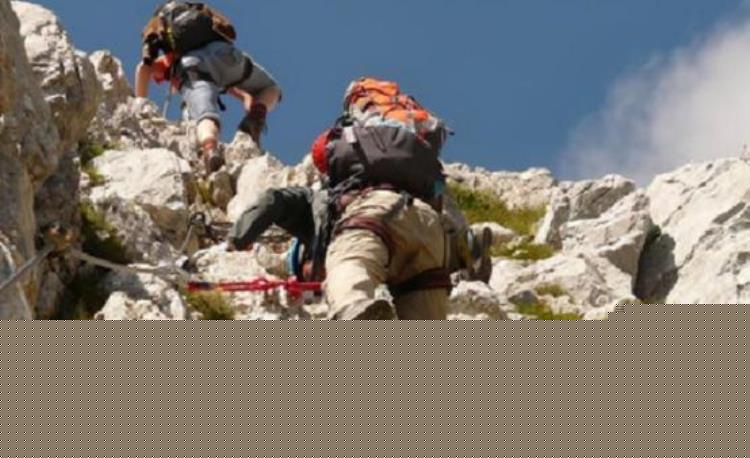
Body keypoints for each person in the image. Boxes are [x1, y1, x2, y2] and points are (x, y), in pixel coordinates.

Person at [296, 77, 477, 320]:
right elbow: (439, 191)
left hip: (376, 210)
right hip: (428, 226)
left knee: (349, 262)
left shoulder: (351, 134)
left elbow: (321, 154)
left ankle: (354, 308)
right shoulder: (412, 134)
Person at [135, 1, 282, 173]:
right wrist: (247, 100)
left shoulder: (166, 59)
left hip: (192, 67)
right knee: (270, 89)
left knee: (205, 117)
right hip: (224, 53)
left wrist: (139, 106)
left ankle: (210, 151)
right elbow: (223, 76)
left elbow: (144, 67)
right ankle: (255, 119)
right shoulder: (197, 8)